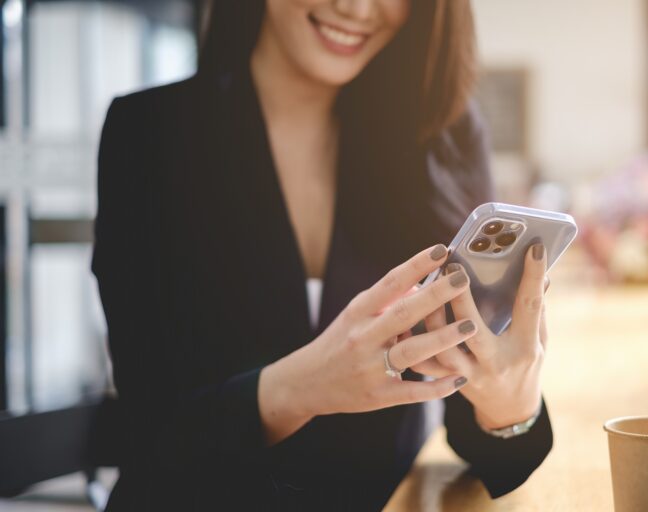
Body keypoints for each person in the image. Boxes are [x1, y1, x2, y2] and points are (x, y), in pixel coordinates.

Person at [92, 0, 553, 510]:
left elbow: (486, 448)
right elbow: (149, 432)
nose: (355, 7)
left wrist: (510, 404)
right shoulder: (149, 132)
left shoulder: (440, 135)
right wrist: (301, 387)